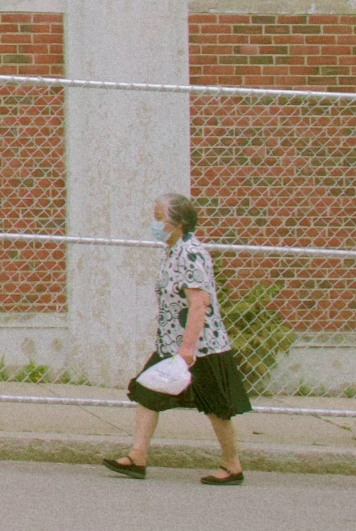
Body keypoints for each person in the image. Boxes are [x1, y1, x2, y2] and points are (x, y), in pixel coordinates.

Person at [103, 192, 251, 485]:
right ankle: (137, 456)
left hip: (199, 347)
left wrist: (187, 348)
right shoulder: (171, 251)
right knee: (147, 392)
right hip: (171, 344)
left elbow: (199, 303)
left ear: (178, 223)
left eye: (160, 218)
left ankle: (232, 465)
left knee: (216, 407)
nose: (155, 224)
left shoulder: (191, 253)